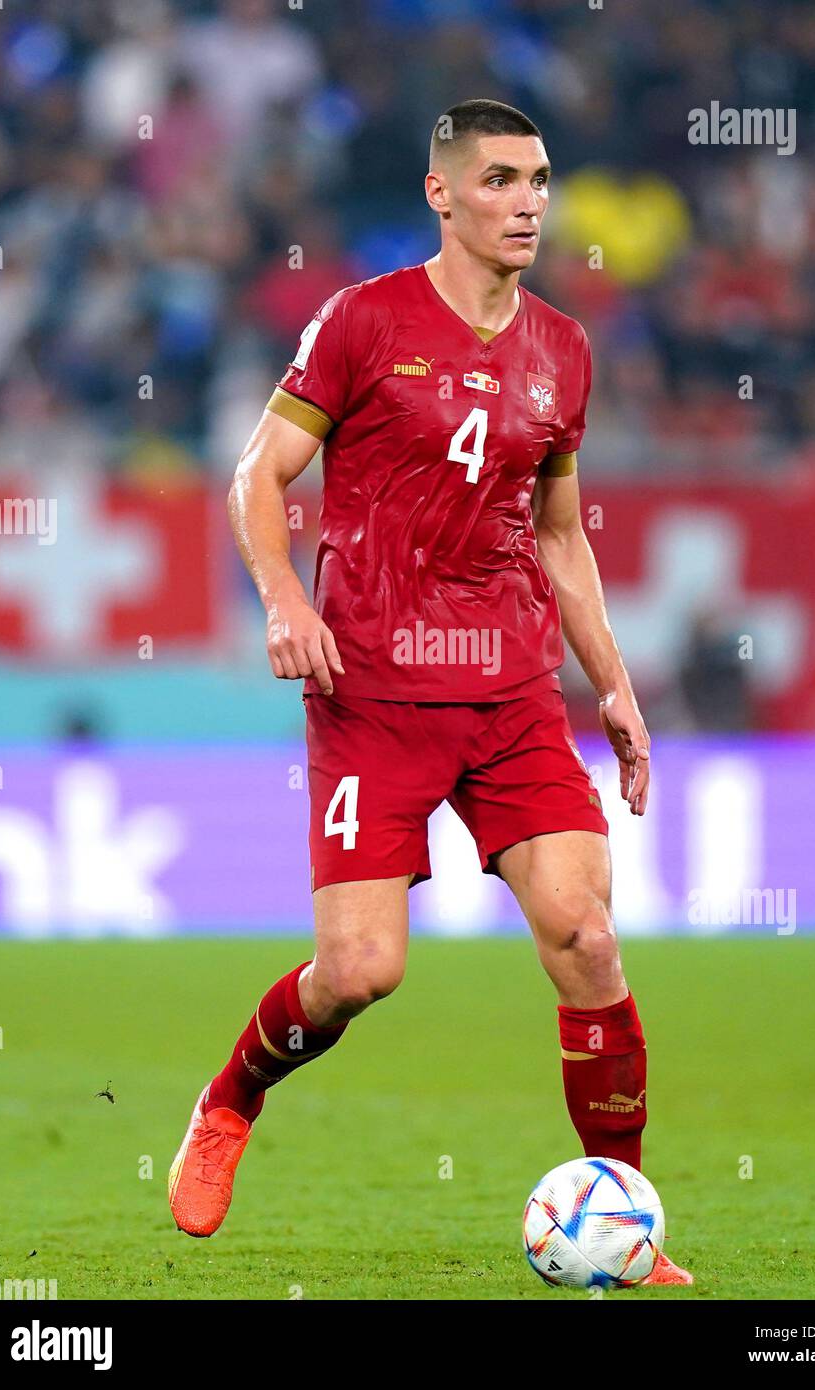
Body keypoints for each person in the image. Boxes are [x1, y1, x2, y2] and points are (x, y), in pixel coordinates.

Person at [168, 98, 691, 1286]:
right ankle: (232, 1096)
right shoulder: (362, 322)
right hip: (373, 690)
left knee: (590, 938)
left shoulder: (564, 348)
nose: (529, 203)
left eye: (543, 180)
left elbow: (561, 536)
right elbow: (260, 472)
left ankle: (633, 1222)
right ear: (442, 194)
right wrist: (284, 600)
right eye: (502, 180)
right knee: (360, 971)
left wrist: (613, 684)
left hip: (511, 693)